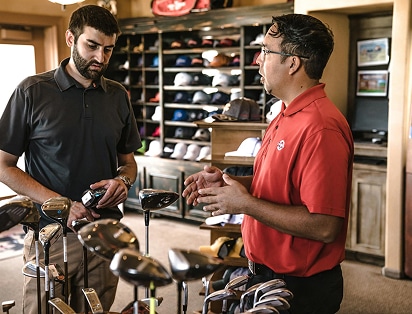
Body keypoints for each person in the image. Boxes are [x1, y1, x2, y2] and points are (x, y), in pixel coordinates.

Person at [183, 13, 354, 313]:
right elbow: (275, 186)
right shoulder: (285, 115)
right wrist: (226, 183)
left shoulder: (321, 127)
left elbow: (325, 225)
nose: (257, 61)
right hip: (266, 275)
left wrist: (245, 205)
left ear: (293, 63)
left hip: (299, 288)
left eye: (265, 51)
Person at [0, 5, 141, 313]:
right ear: (70, 38)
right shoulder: (31, 91)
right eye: (92, 46)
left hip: (105, 233)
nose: (100, 58)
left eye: (108, 49)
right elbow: (3, 165)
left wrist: (123, 180)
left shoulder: (117, 95)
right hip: (50, 236)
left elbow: (128, 162)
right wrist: (61, 204)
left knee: (98, 309)